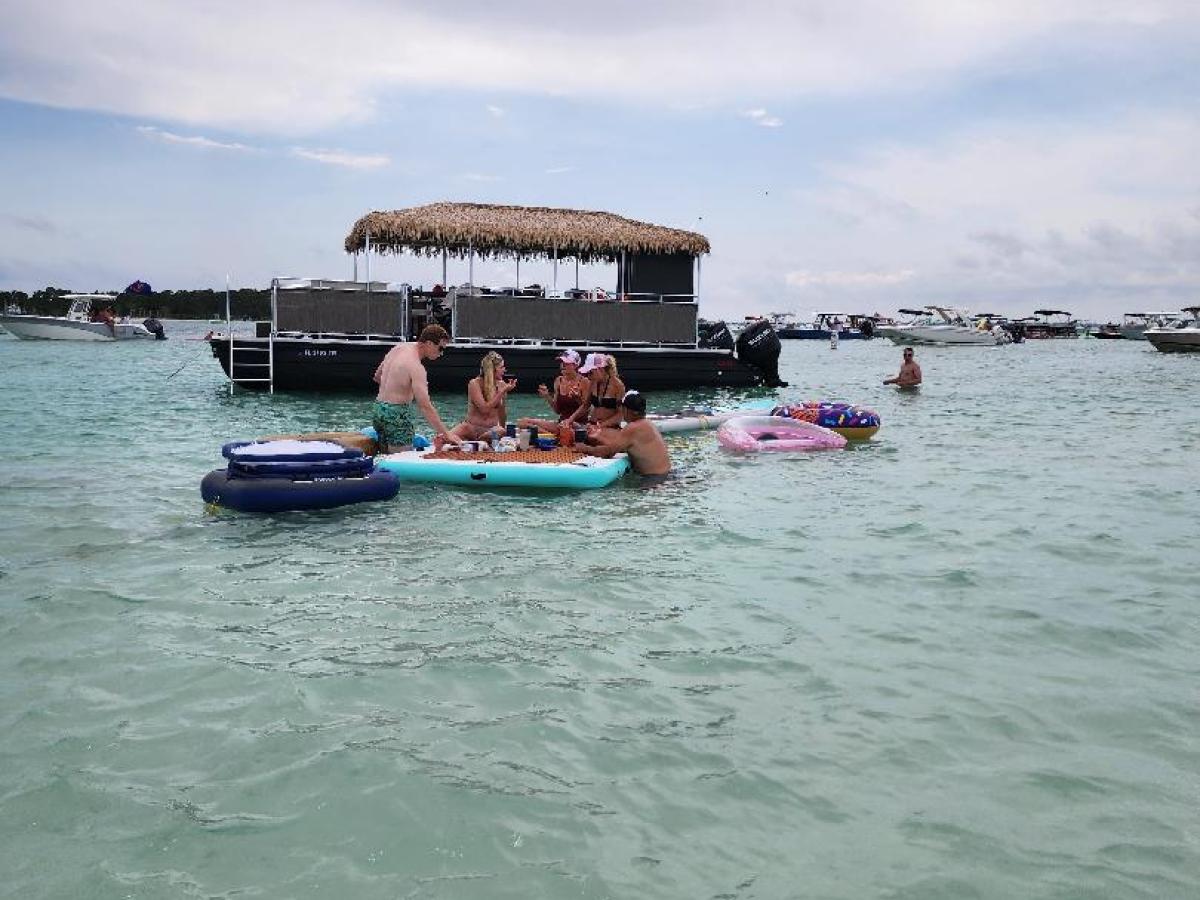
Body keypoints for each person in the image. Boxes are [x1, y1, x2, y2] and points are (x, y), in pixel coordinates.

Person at [371, 324, 461, 452]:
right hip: (397, 415)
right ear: (429, 343)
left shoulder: (398, 348)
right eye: (440, 348)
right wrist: (447, 434)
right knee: (401, 462)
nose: (441, 353)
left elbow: (377, 376)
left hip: (378, 409)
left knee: (386, 457)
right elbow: (425, 406)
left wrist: (398, 389)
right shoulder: (416, 367)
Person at [579, 391, 671, 476]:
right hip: (666, 473)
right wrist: (599, 438)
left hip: (653, 479)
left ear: (627, 410)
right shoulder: (648, 424)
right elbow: (622, 447)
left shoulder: (632, 428)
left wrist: (585, 448)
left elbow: (607, 453)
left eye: (622, 408)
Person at [518, 349, 590, 434]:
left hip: (578, 425)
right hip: (561, 423)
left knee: (566, 428)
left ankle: (557, 436)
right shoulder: (558, 381)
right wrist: (547, 396)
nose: (562, 365)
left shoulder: (584, 381)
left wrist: (577, 398)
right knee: (522, 422)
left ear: (575, 365)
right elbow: (557, 411)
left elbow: (586, 409)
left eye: (566, 363)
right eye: (561, 363)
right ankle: (553, 436)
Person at [449, 351, 516, 442]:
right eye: (501, 367)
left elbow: (502, 412)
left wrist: (503, 433)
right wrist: (501, 392)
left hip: (490, 430)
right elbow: (484, 409)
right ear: (492, 370)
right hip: (471, 428)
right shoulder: (474, 383)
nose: (504, 370)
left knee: (501, 431)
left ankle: (479, 441)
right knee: (444, 437)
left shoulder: (502, 385)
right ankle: (478, 441)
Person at [562, 353, 625, 430]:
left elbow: (620, 414)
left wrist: (601, 425)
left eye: (590, 373)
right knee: (564, 428)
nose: (588, 376)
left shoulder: (618, 386)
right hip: (591, 424)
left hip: (608, 427)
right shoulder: (593, 383)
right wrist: (570, 420)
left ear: (600, 369)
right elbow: (586, 405)